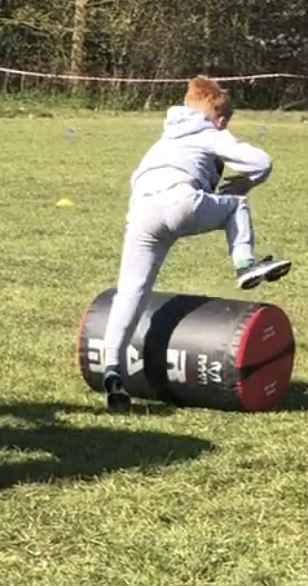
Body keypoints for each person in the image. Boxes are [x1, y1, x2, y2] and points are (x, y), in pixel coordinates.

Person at [100, 75, 291, 412]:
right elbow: (262, 162)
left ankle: (112, 368)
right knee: (236, 205)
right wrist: (245, 183)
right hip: (180, 202)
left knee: (131, 293)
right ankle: (245, 264)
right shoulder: (208, 131)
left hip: (141, 215)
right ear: (220, 118)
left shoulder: (166, 137)